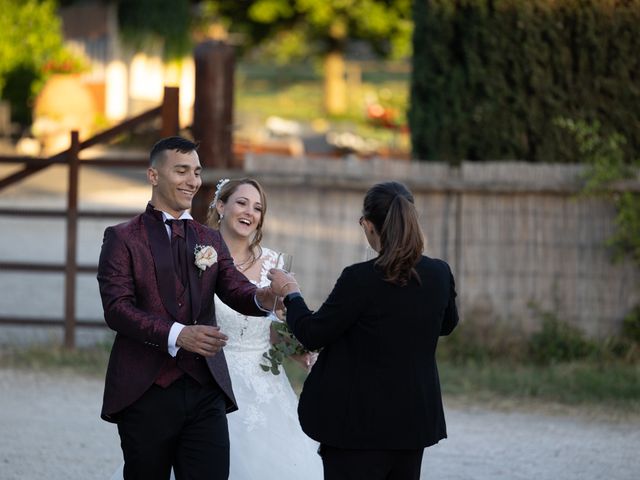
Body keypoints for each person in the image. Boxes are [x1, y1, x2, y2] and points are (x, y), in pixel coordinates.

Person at [98, 137, 275, 480]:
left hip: (205, 390)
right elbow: (117, 309)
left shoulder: (209, 239)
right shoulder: (122, 237)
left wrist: (263, 297)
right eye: (181, 171)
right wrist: (179, 335)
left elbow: (234, 288)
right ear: (153, 175)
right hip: (145, 390)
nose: (192, 181)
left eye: (196, 172)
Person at [268, 181, 459, 480]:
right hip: (413, 420)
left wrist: (291, 294)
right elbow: (447, 324)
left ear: (369, 226)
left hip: (357, 424)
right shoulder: (439, 273)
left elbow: (312, 333)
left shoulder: (359, 279)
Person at [205, 177, 323, 479]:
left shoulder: (274, 262)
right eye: (241, 203)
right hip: (208, 372)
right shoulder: (199, 256)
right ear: (221, 206)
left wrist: (303, 351)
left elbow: (278, 326)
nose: (250, 212)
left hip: (262, 379)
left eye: (258, 208)